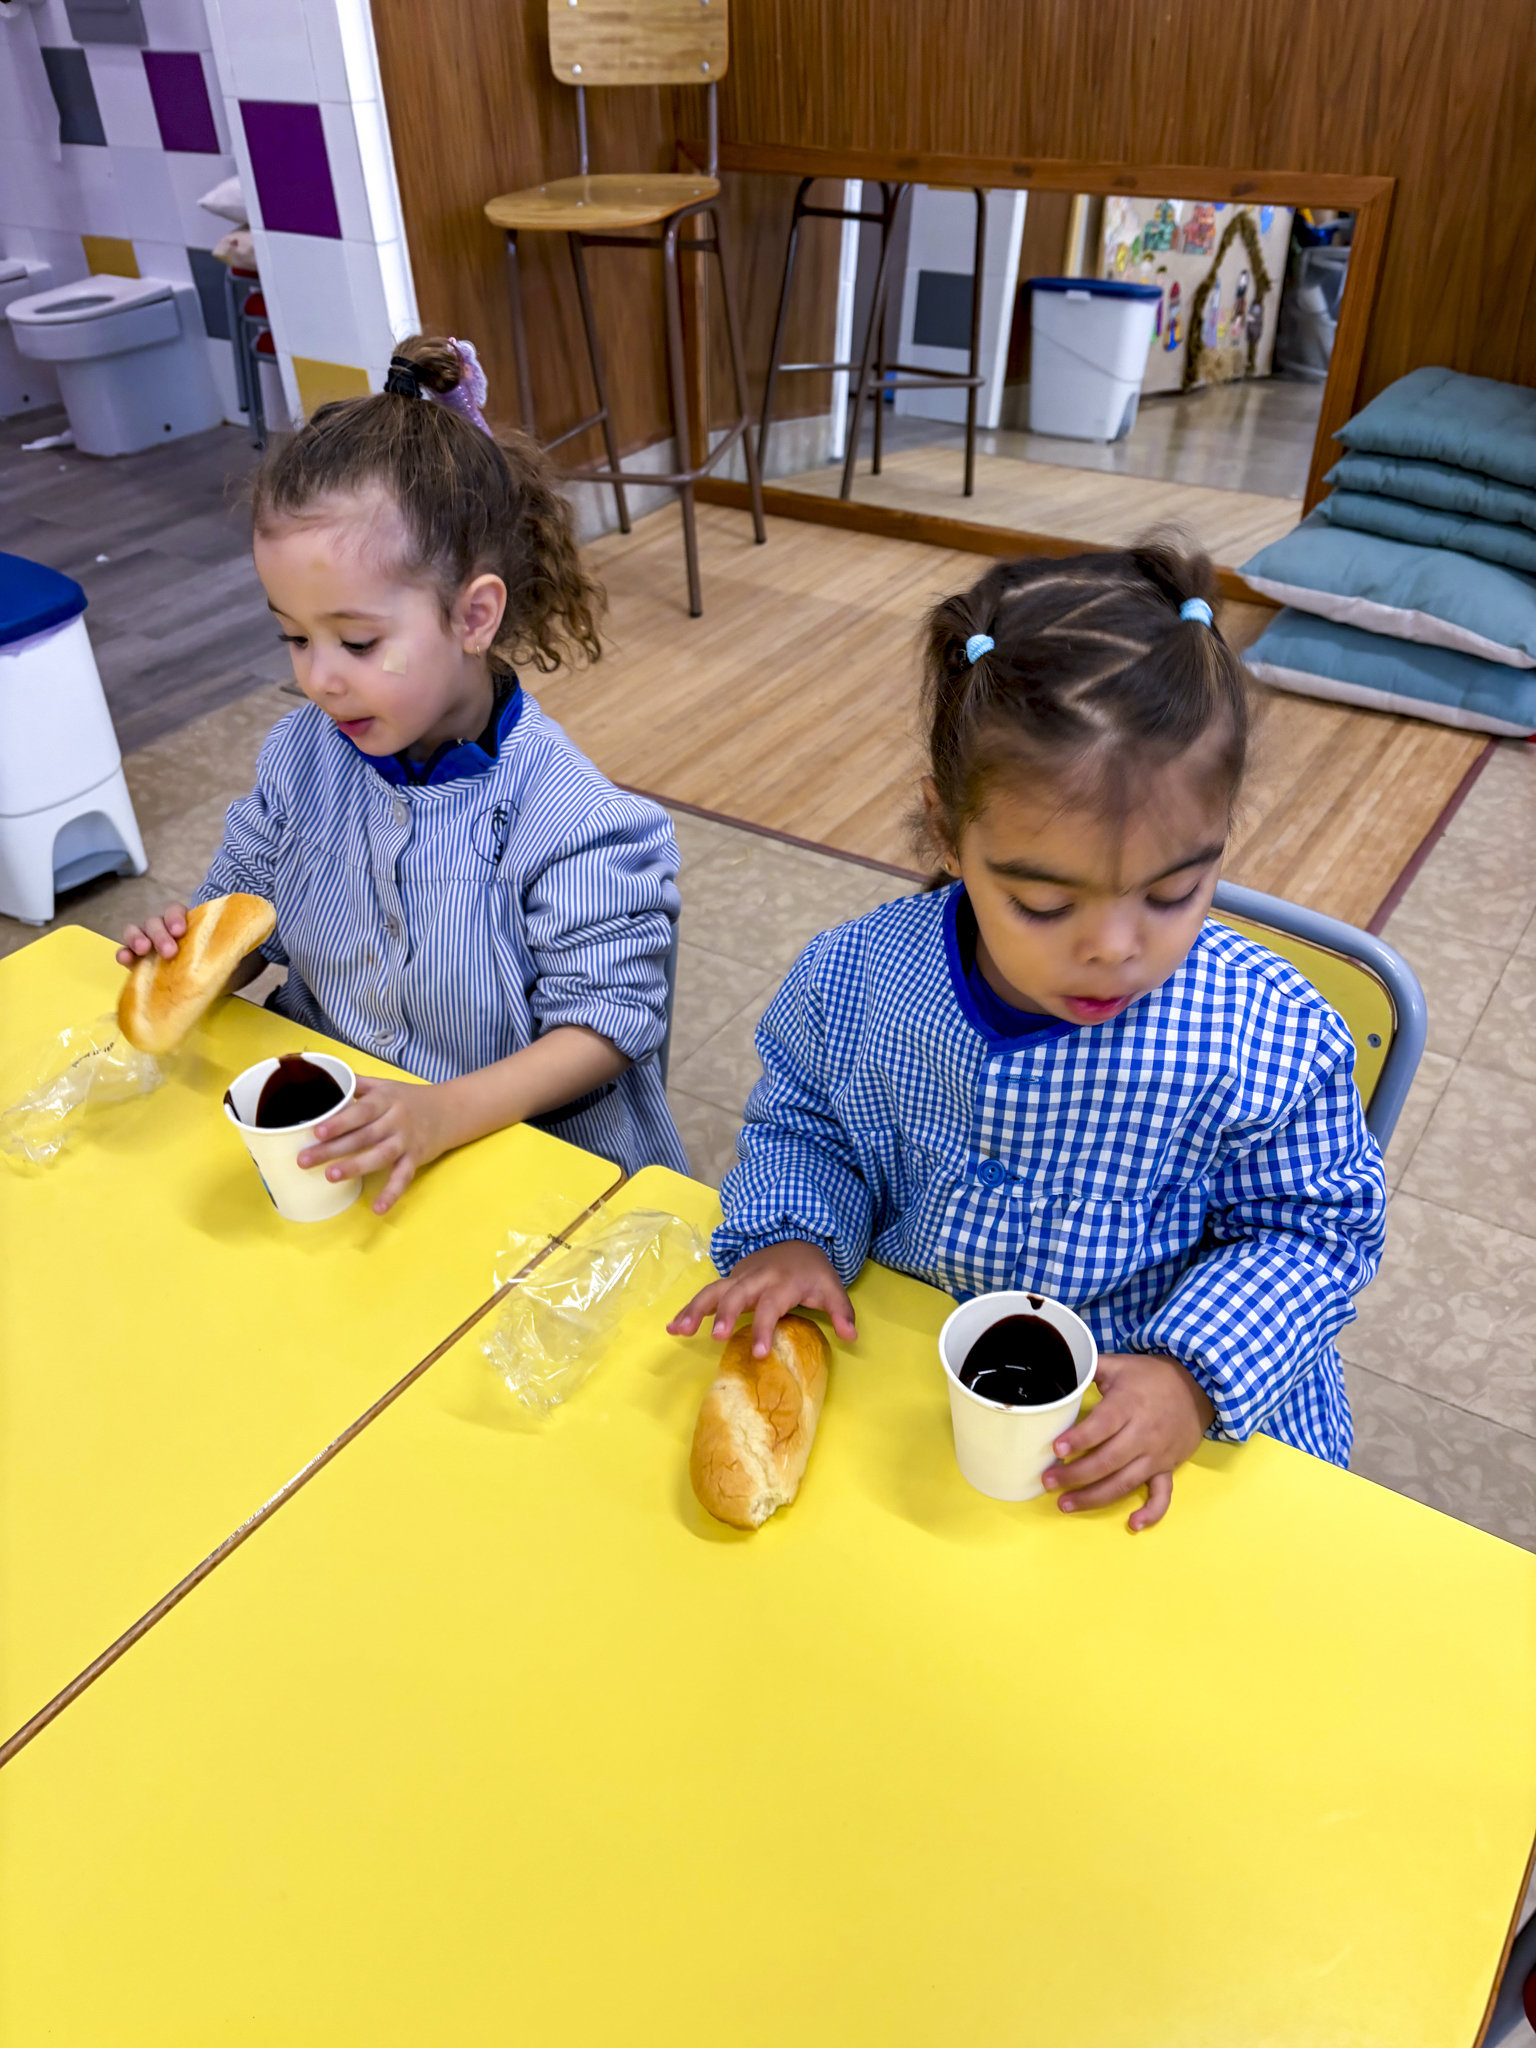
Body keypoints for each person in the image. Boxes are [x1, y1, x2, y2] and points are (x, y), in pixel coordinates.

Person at [670, 543, 1386, 1529]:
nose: (1115, 949)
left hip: (1147, 1430)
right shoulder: (857, 983)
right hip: (915, 1396)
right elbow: (806, 1125)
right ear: (948, 830)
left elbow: (1316, 1230)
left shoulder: (1269, 1036)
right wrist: (795, 1231)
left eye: (1174, 892)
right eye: (1046, 903)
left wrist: (1193, 1378)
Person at [118, 334, 686, 1210]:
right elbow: (245, 918)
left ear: (473, 616)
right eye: (294, 637)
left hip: (528, 1169)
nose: (319, 678)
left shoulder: (575, 822)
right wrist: (188, 958)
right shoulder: (299, 758)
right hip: (344, 1144)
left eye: (357, 642)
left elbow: (606, 1029)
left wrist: (441, 1114)